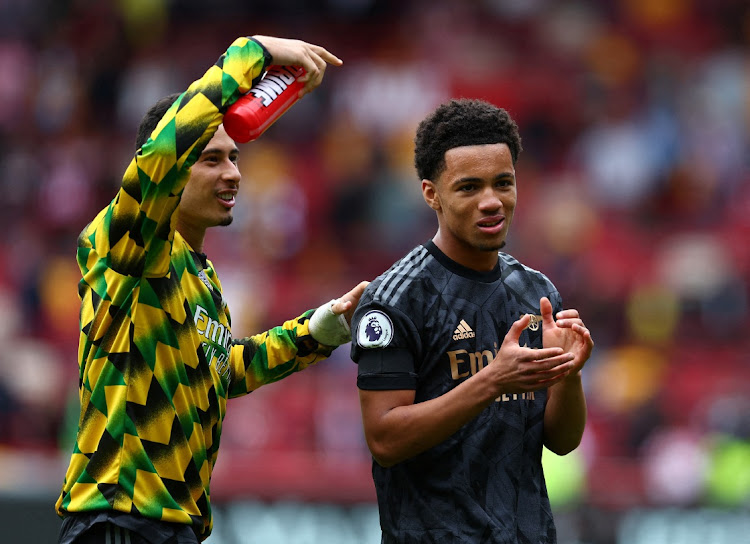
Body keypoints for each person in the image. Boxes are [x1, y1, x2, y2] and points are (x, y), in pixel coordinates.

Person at [55, 35, 367, 543]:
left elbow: (221, 372)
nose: (233, 174)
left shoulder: (201, 276)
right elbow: (165, 149)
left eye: (235, 158)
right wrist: (253, 51)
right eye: (212, 160)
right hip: (118, 518)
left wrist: (319, 331)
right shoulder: (126, 245)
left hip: (174, 527)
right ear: (170, 169)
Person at [350, 98, 594, 543]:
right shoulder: (396, 299)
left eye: (504, 183)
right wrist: (493, 380)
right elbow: (385, 440)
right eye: (469, 187)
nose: (492, 202)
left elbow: (561, 441)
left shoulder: (535, 293)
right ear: (432, 194)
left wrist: (569, 377)